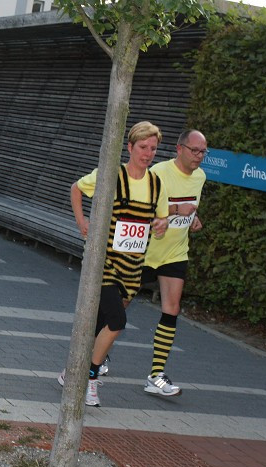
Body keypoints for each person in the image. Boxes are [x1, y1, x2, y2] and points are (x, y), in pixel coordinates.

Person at [65, 121, 169, 407]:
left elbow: (160, 219)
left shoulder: (156, 184)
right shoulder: (111, 175)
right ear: (130, 147)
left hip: (132, 267)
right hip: (105, 262)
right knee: (117, 322)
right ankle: (91, 377)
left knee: (99, 323)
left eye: (153, 149)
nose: (148, 153)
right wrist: (81, 221)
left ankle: (71, 373)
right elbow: (76, 188)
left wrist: (161, 223)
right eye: (143, 147)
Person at [139, 129, 207, 396]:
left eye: (203, 152)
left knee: (172, 309)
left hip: (175, 252)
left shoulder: (200, 177)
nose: (199, 157)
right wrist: (178, 210)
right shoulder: (159, 173)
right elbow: (144, 207)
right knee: (118, 306)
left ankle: (156, 376)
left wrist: (193, 218)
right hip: (146, 251)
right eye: (195, 151)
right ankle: (97, 356)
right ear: (179, 149)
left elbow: (191, 205)